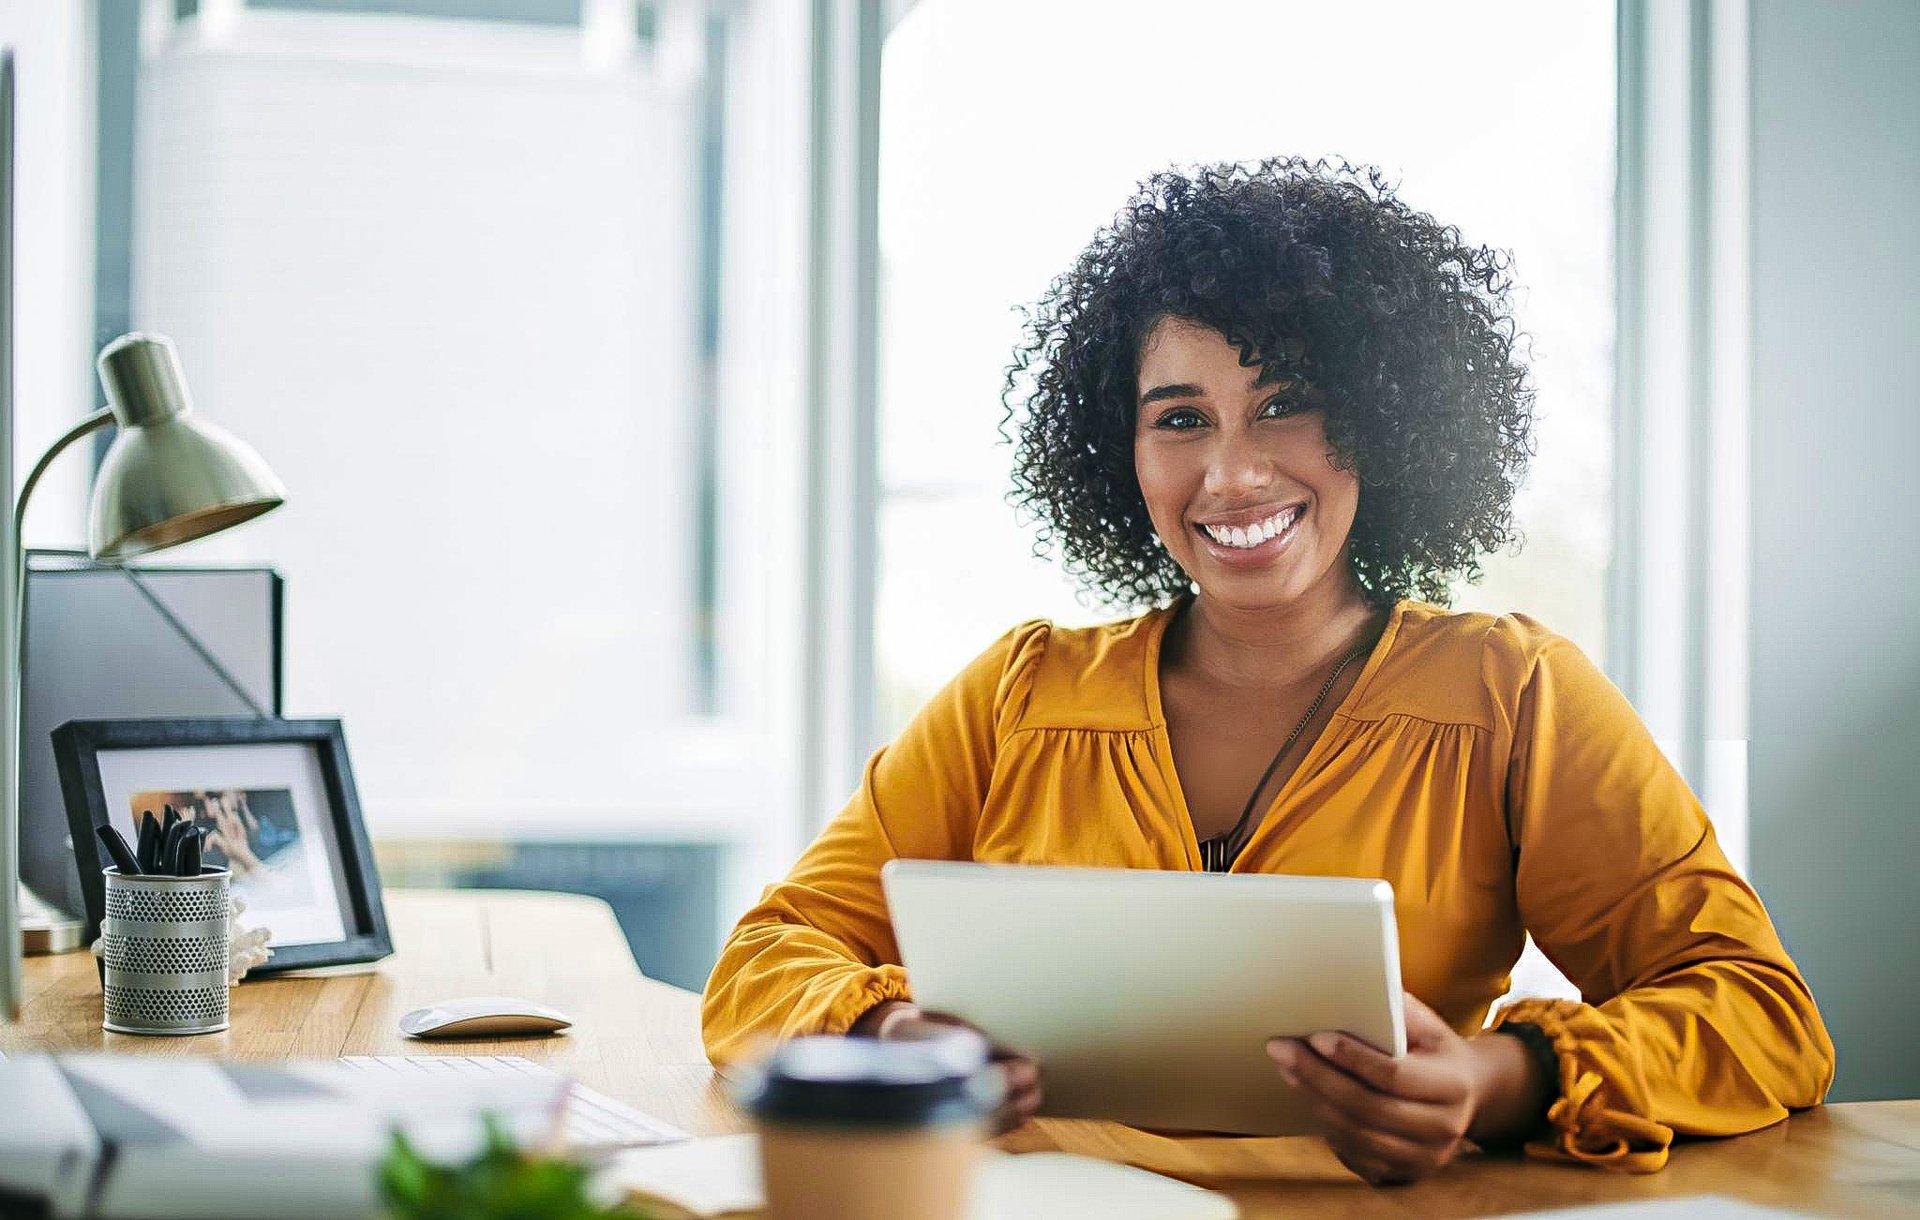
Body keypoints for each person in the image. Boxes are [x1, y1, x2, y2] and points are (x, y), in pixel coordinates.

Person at [701, 158, 1833, 1184]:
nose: (1233, 474)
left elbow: (1762, 1012)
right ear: (1121, 452)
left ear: (1384, 420)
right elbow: (764, 958)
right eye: (1179, 418)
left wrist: (1499, 1080)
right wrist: (893, 1035)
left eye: (1286, 404)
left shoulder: (1513, 697)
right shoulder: (1019, 696)